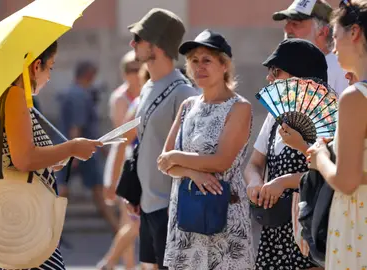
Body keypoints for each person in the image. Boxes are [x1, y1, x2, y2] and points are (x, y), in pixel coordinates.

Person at [0, 41, 104, 270]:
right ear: (36, 66)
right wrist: (72, 147)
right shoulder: (15, 96)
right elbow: (24, 159)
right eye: (51, 67)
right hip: (27, 228)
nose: (49, 76)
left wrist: (48, 162)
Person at [307, 1, 367, 268]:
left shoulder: (356, 96)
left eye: (336, 36)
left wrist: (321, 156)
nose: (334, 48)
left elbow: (347, 181)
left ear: (355, 33)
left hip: (362, 225)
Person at [157, 29, 255, 269]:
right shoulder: (187, 105)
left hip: (224, 215)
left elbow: (221, 161)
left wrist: (177, 158)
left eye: (207, 60)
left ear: (224, 65)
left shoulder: (239, 107)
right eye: (193, 61)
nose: (199, 66)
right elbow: (163, 162)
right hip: (187, 214)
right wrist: (192, 173)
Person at [244, 38, 328, 270]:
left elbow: (330, 172)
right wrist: (255, 182)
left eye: (276, 71)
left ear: (300, 75)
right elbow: (254, 163)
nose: (269, 78)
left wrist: (283, 182)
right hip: (276, 230)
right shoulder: (274, 116)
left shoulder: (324, 117)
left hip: (311, 227)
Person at [124, 8, 198, 269]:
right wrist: (137, 194)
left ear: (155, 44)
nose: (132, 43)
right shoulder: (146, 88)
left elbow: (195, 155)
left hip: (172, 210)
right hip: (147, 206)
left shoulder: (185, 92)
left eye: (139, 38)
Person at [56, 60, 119, 233]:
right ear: (89, 75)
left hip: (75, 150)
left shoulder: (73, 92)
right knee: (96, 191)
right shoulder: (79, 95)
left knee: (64, 188)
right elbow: (76, 126)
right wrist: (74, 155)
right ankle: (117, 228)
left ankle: (48, 229)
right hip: (82, 151)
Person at [98, 52, 143, 270]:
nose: (136, 74)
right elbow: (122, 138)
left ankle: (121, 264)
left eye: (139, 68)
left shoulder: (146, 93)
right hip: (127, 161)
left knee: (133, 221)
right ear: (124, 73)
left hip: (142, 161)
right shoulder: (120, 98)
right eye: (132, 69)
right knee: (130, 219)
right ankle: (122, 264)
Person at [273, 0, 349, 95]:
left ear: (322, 32)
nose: (287, 29)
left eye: (295, 24)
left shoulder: (341, 70)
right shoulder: (290, 69)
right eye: (287, 23)